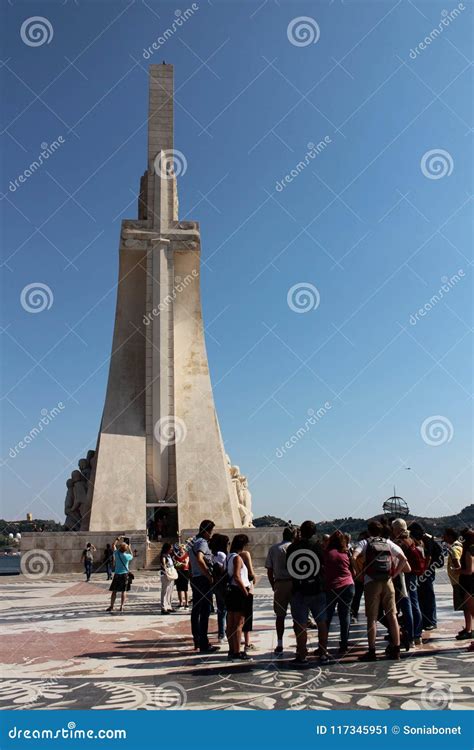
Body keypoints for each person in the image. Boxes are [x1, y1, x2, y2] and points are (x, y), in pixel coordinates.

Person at [352, 520, 409, 661]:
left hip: (371, 581)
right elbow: (403, 558)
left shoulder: (365, 543)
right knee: (392, 615)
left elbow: (353, 556)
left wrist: (358, 573)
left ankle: (372, 651)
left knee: (372, 618)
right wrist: (394, 574)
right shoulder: (388, 543)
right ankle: (396, 649)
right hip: (388, 581)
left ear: (369, 531)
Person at [287, 520, 328, 666]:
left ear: (301, 532)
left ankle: (302, 655)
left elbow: (290, 568)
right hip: (318, 588)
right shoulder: (318, 547)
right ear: (315, 532)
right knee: (322, 622)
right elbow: (324, 565)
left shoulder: (292, 547)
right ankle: (323, 653)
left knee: (300, 624)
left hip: (299, 589)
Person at [390, 519, 423, 649]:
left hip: (404, 576)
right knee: (415, 604)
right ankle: (417, 635)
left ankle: (410, 637)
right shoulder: (412, 540)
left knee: (406, 605)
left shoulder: (399, 542)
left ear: (396, 530)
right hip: (414, 576)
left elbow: (400, 561)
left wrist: (395, 574)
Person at [188, 520, 219, 654]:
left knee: (196, 610)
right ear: (206, 531)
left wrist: (192, 577)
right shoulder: (202, 542)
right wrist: (208, 576)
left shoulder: (193, 542)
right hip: (202, 579)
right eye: (210, 532)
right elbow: (200, 559)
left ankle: (198, 639)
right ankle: (204, 643)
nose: (211, 535)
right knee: (205, 611)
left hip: (195, 578)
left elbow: (191, 563)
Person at [408, 522, 444, 631]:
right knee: (422, 596)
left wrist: (423, 572)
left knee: (428, 596)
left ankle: (431, 621)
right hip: (425, 571)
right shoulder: (424, 538)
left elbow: (428, 557)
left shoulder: (427, 540)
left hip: (427, 572)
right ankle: (425, 620)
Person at [265, 527, 295, 655]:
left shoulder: (274, 549)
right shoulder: (295, 548)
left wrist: (273, 585)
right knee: (298, 616)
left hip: (280, 584)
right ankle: (300, 644)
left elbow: (269, 570)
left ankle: (279, 643)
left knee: (280, 616)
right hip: (294, 584)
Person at [324, 530, 355, 654]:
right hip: (348, 585)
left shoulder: (327, 553)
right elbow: (354, 571)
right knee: (345, 615)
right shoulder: (347, 553)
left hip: (331, 587)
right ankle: (344, 644)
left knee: (327, 617)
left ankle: (323, 644)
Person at [225, 534, 252, 660]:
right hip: (239, 591)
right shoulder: (237, 558)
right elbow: (237, 576)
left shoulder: (228, 557)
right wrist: (245, 593)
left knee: (230, 623)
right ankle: (237, 651)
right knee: (238, 624)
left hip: (231, 591)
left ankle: (231, 650)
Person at [209, 533, 230, 642]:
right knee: (225, 610)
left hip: (216, 585)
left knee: (221, 610)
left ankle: (222, 633)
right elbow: (223, 569)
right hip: (223, 585)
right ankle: (223, 633)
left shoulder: (213, 554)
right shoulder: (222, 555)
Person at [456, 529, 474, 649]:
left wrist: (458, 571)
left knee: (472, 610)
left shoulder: (469, 551)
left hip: (470, 584)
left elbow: (469, 571)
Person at [443, 528, 464, 627]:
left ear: (451, 536)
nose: (443, 537)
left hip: (458, 582)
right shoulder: (460, 545)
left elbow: (457, 563)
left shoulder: (454, 548)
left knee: (465, 607)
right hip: (459, 581)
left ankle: (469, 628)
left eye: (445, 535)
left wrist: (455, 569)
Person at [107, 539, 133, 612]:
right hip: (125, 575)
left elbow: (113, 545)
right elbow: (132, 556)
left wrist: (117, 539)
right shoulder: (127, 556)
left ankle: (111, 606)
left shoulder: (117, 554)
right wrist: (130, 548)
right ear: (125, 550)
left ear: (120, 548)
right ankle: (122, 606)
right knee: (123, 591)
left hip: (117, 574)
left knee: (114, 591)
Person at [240, 544, 256, 651]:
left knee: (235, 617)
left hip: (234, 589)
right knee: (247, 616)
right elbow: (251, 573)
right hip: (246, 588)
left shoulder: (230, 555)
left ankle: (235, 643)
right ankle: (247, 642)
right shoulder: (245, 554)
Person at [160, 542, 177, 614]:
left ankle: (169, 606)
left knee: (170, 590)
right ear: (167, 548)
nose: (172, 549)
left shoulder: (169, 555)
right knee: (165, 590)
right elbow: (163, 564)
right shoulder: (163, 556)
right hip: (165, 574)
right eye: (171, 548)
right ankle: (163, 607)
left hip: (171, 573)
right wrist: (166, 571)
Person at [172, 543, 190, 609]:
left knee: (185, 588)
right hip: (178, 572)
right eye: (179, 549)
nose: (180, 550)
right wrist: (180, 564)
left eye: (182, 548)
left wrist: (179, 564)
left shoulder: (186, 555)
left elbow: (186, 564)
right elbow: (175, 564)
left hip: (185, 572)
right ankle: (180, 602)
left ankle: (187, 602)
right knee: (179, 588)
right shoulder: (176, 556)